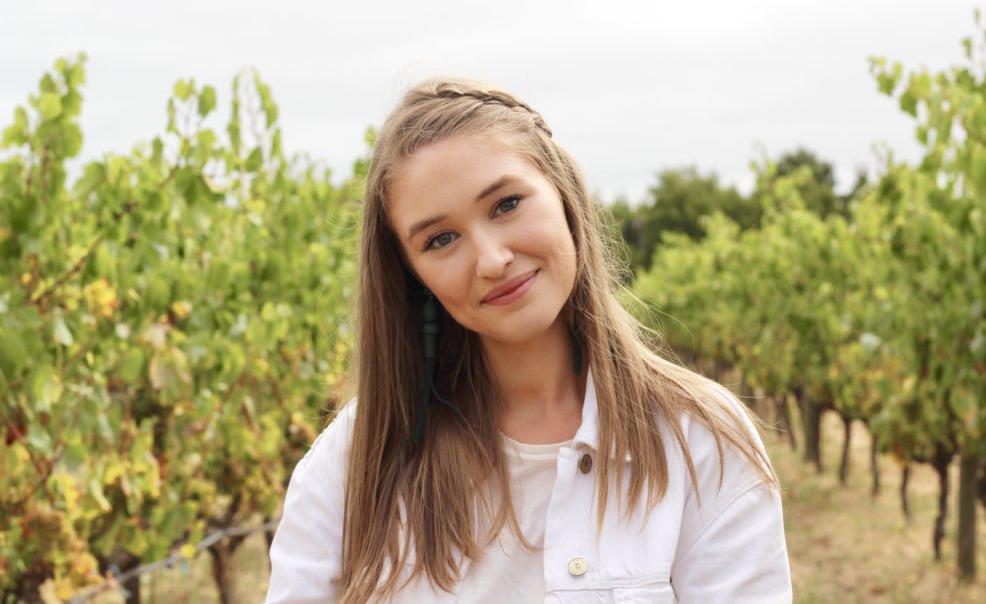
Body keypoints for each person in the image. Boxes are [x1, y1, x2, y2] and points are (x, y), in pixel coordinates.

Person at [264, 78, 792, 603]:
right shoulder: (353, 463)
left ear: (562, 192)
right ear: (411, 275)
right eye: (441, 240)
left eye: (507, 204)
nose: (492, 260)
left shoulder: (704, 445)